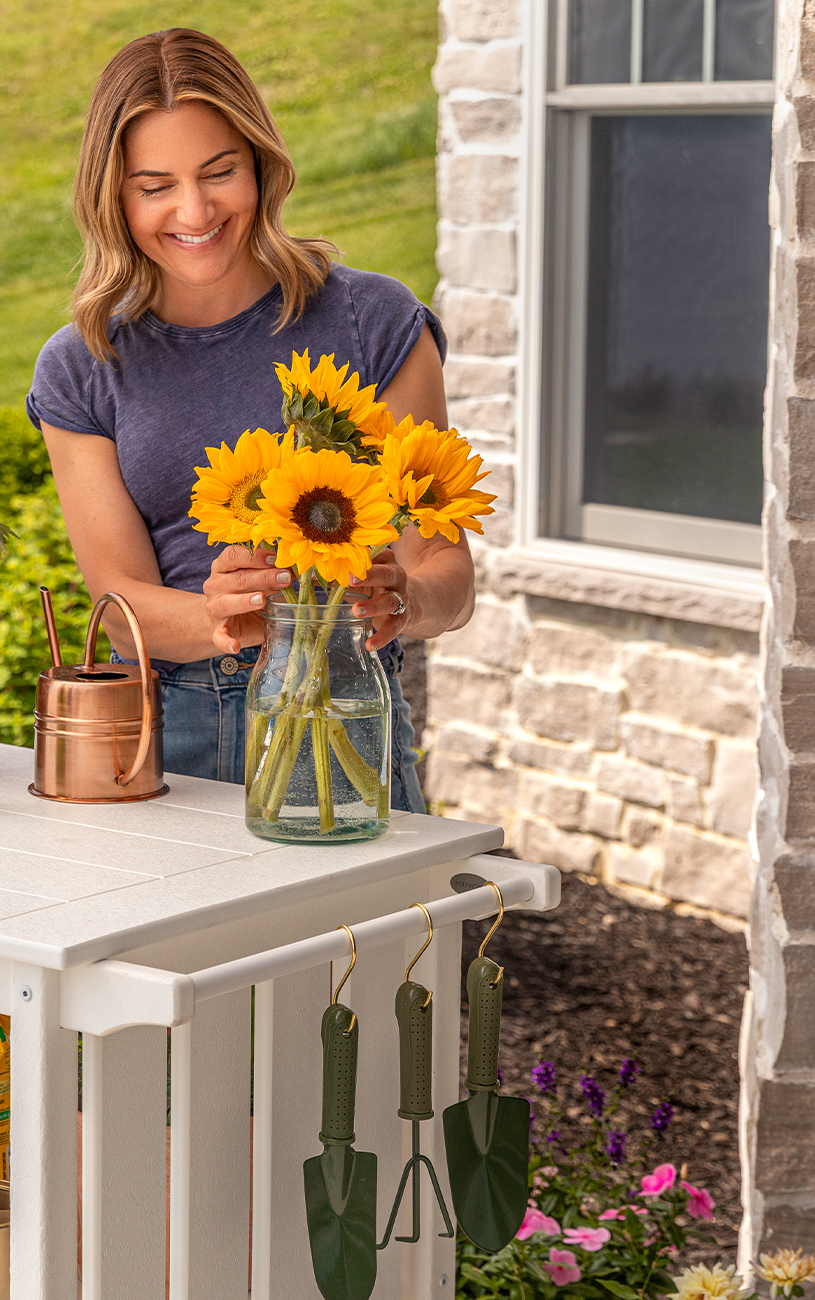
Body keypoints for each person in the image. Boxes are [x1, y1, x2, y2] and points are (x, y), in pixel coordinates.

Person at [26, 28, 478, 813]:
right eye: (155, 186)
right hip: (174, 738)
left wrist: (400, 598)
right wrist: (224, 612)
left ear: (261, 167)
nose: (194, 210)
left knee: (369, 901)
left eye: (219, 172)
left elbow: (449, 574)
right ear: (115, 198)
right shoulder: (83, 363)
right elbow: (120, 607)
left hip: (349, 715)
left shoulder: (374, 322)